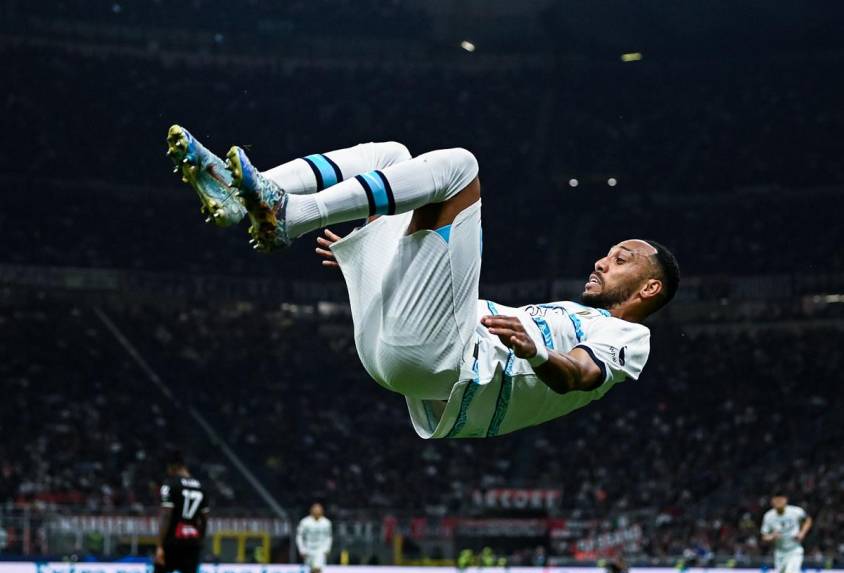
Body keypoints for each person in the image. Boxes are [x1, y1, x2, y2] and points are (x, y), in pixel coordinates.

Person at [167, 127, 679, 438]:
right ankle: (248, 194)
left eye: (621, 258)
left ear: (648, 289)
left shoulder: (629, 337)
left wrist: (536, 353)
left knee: (461, 169)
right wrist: (375, 256)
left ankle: (289, 213)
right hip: (400, 351)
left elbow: (580, 377)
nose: (602, 260)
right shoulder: (574, 316)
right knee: (391, 155)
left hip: (439, 363)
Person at [152, 452, 209, 573]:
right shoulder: (201, 487)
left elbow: (166, 515)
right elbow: (204, 519)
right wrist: (200, 539)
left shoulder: (170, 485)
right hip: (193, 539)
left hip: (174, 539)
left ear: (172, 467)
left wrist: (160, 545)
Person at [760, 491, 812, 573]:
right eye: (775, 500)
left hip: (794, 551)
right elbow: (764, 535)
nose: (778, 503)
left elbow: (808, 520)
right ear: (772, 502)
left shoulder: (796, 512)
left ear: (785, 500)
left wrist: (802, 533)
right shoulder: (769, 516)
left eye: (780, 500)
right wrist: (771, 537)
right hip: (779, 554)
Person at [296, 503, 333, 573]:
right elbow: (299, 536)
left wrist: (327, 548)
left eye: (319, 510)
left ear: (322, 511)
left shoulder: (326, 523)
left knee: (318, 569)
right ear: (311, 511)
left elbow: (329, 537)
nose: (317, 511)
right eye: (315, 509)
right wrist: (302, 549)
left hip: (320, 550)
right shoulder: (305, 522)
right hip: (308, 549)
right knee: (312, 570)